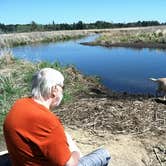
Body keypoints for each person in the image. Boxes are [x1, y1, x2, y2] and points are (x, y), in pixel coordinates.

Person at [3, 67, 110, 166]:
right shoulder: (46, 120)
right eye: (63, 87)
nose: (63, 91)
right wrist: (75, 150)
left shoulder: (19, 105)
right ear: (54, 90)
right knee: (103, 154)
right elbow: (69, 164)